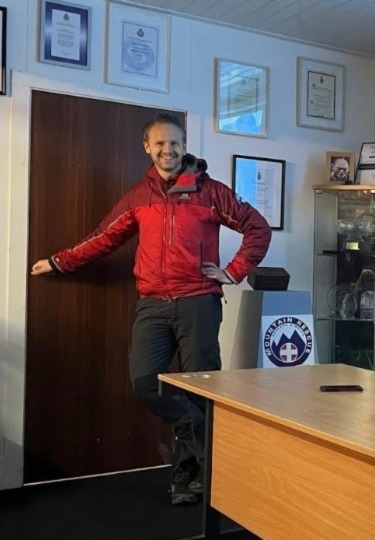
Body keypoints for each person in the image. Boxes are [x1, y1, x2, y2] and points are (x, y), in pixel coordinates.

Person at [30, 113, 272, 506]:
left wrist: (232, 272)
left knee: (199, 390)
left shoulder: (211, 192)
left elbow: (257, 228)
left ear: (184, 144)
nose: (167, 149)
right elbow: (104, 238)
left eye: (174, 142)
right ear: (147, 147)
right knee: (146, 383)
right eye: (159, 143)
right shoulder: (139, 196)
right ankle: (214, 447)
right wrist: (59, 262)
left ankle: (186, 479)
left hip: (198, 302)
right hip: (152, 305)